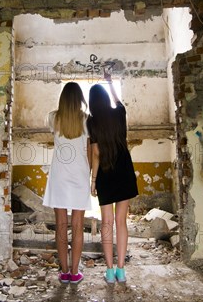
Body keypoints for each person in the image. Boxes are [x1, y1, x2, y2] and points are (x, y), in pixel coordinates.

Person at [87, 71, 139, 284]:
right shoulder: (119, 113)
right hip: (124, 171)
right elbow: (118, 102)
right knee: (121, 223)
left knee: (106, 223)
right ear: (107, 98)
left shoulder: (92, 122)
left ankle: (109, 271)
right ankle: (121, 269)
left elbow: (96, 153)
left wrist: (93, 179)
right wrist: (109, 83)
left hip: (106, 174)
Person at [42, 82, 92, 284]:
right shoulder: (87, 120)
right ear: (80, 99)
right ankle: (74, 271)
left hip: (59, 175)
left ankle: (63, 272)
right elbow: (89, 150)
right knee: (78, 226)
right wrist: (89, 175)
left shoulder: (53, 118)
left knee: (61, 225)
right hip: (80, 174)